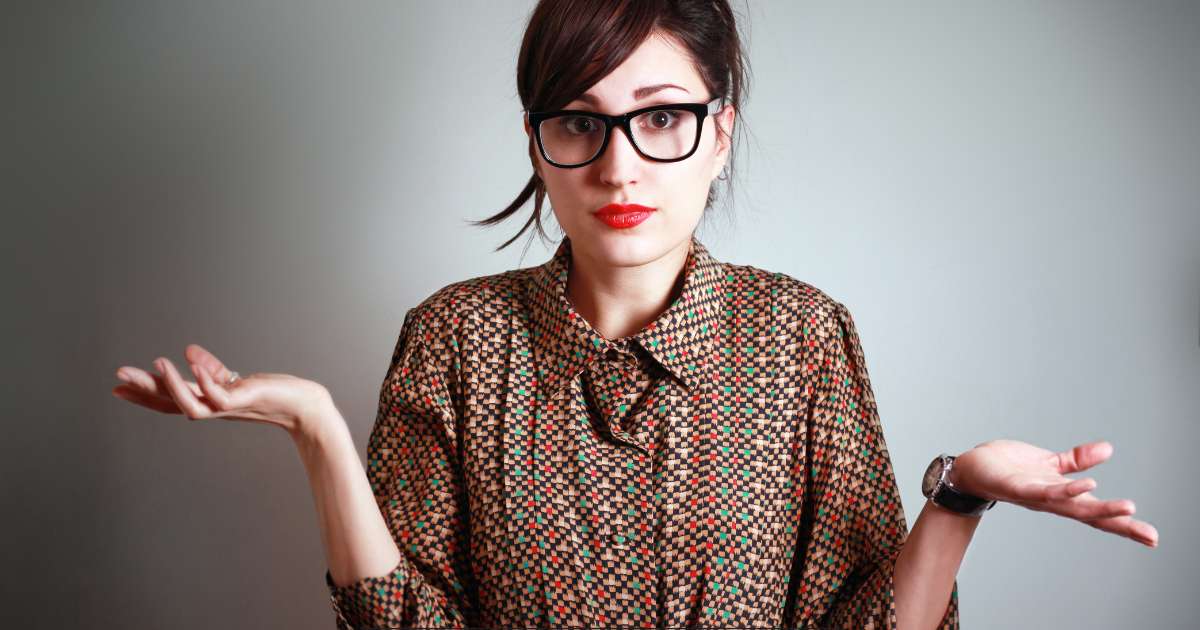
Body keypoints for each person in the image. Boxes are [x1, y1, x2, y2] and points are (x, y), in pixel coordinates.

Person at [111, 1, 1160, 628]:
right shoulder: (453, 338)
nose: (619, 164)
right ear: (537, 142)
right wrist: (317, 431)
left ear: (720, 132)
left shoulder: (802, 335)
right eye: (580, 121)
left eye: (661, 117)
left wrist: (958, 497)